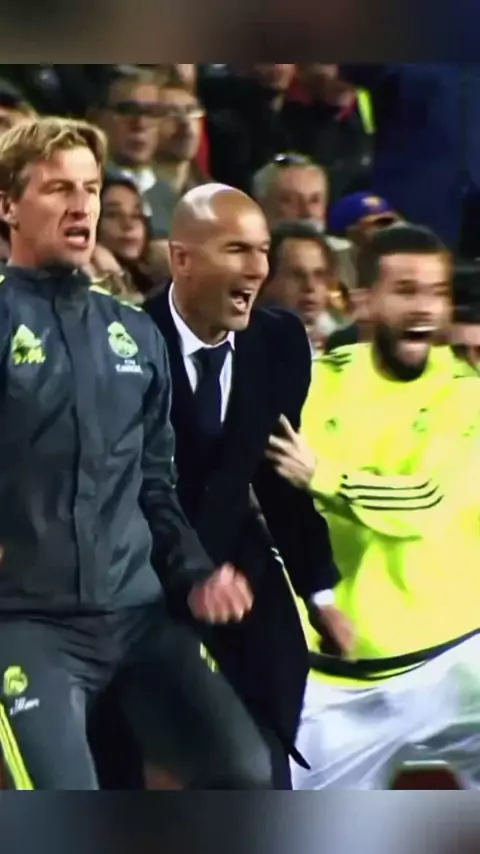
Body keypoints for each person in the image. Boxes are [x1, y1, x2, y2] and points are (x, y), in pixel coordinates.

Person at [0, 117, 273, 790]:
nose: (81, 206)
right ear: (7, 205)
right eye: (58, 188)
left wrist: (197, 575)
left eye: (90, 189)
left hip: (137, 617)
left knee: (245, 774)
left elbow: (154, 485)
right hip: (25, 624)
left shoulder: (134, 333)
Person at [144, 183, 354, 789]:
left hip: (241, 567)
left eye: (263, 251)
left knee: (271, 723)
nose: (258, 269)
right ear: (181, 258)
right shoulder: (129, 339)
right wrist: (189, 576)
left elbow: (277, 473)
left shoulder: (279, 342)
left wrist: (319, 593)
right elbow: (123, 486)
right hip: (142, 574)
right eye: (237, 249)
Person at [267, 224, 480, 789]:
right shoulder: (313, 385)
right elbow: (267, 491)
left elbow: (427, 500)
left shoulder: (469, 393)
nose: (425, 307)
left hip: (456, 665)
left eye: (436, 292)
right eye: (406, 290)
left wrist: (322, 475)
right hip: (337, 680)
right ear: (361, 300)